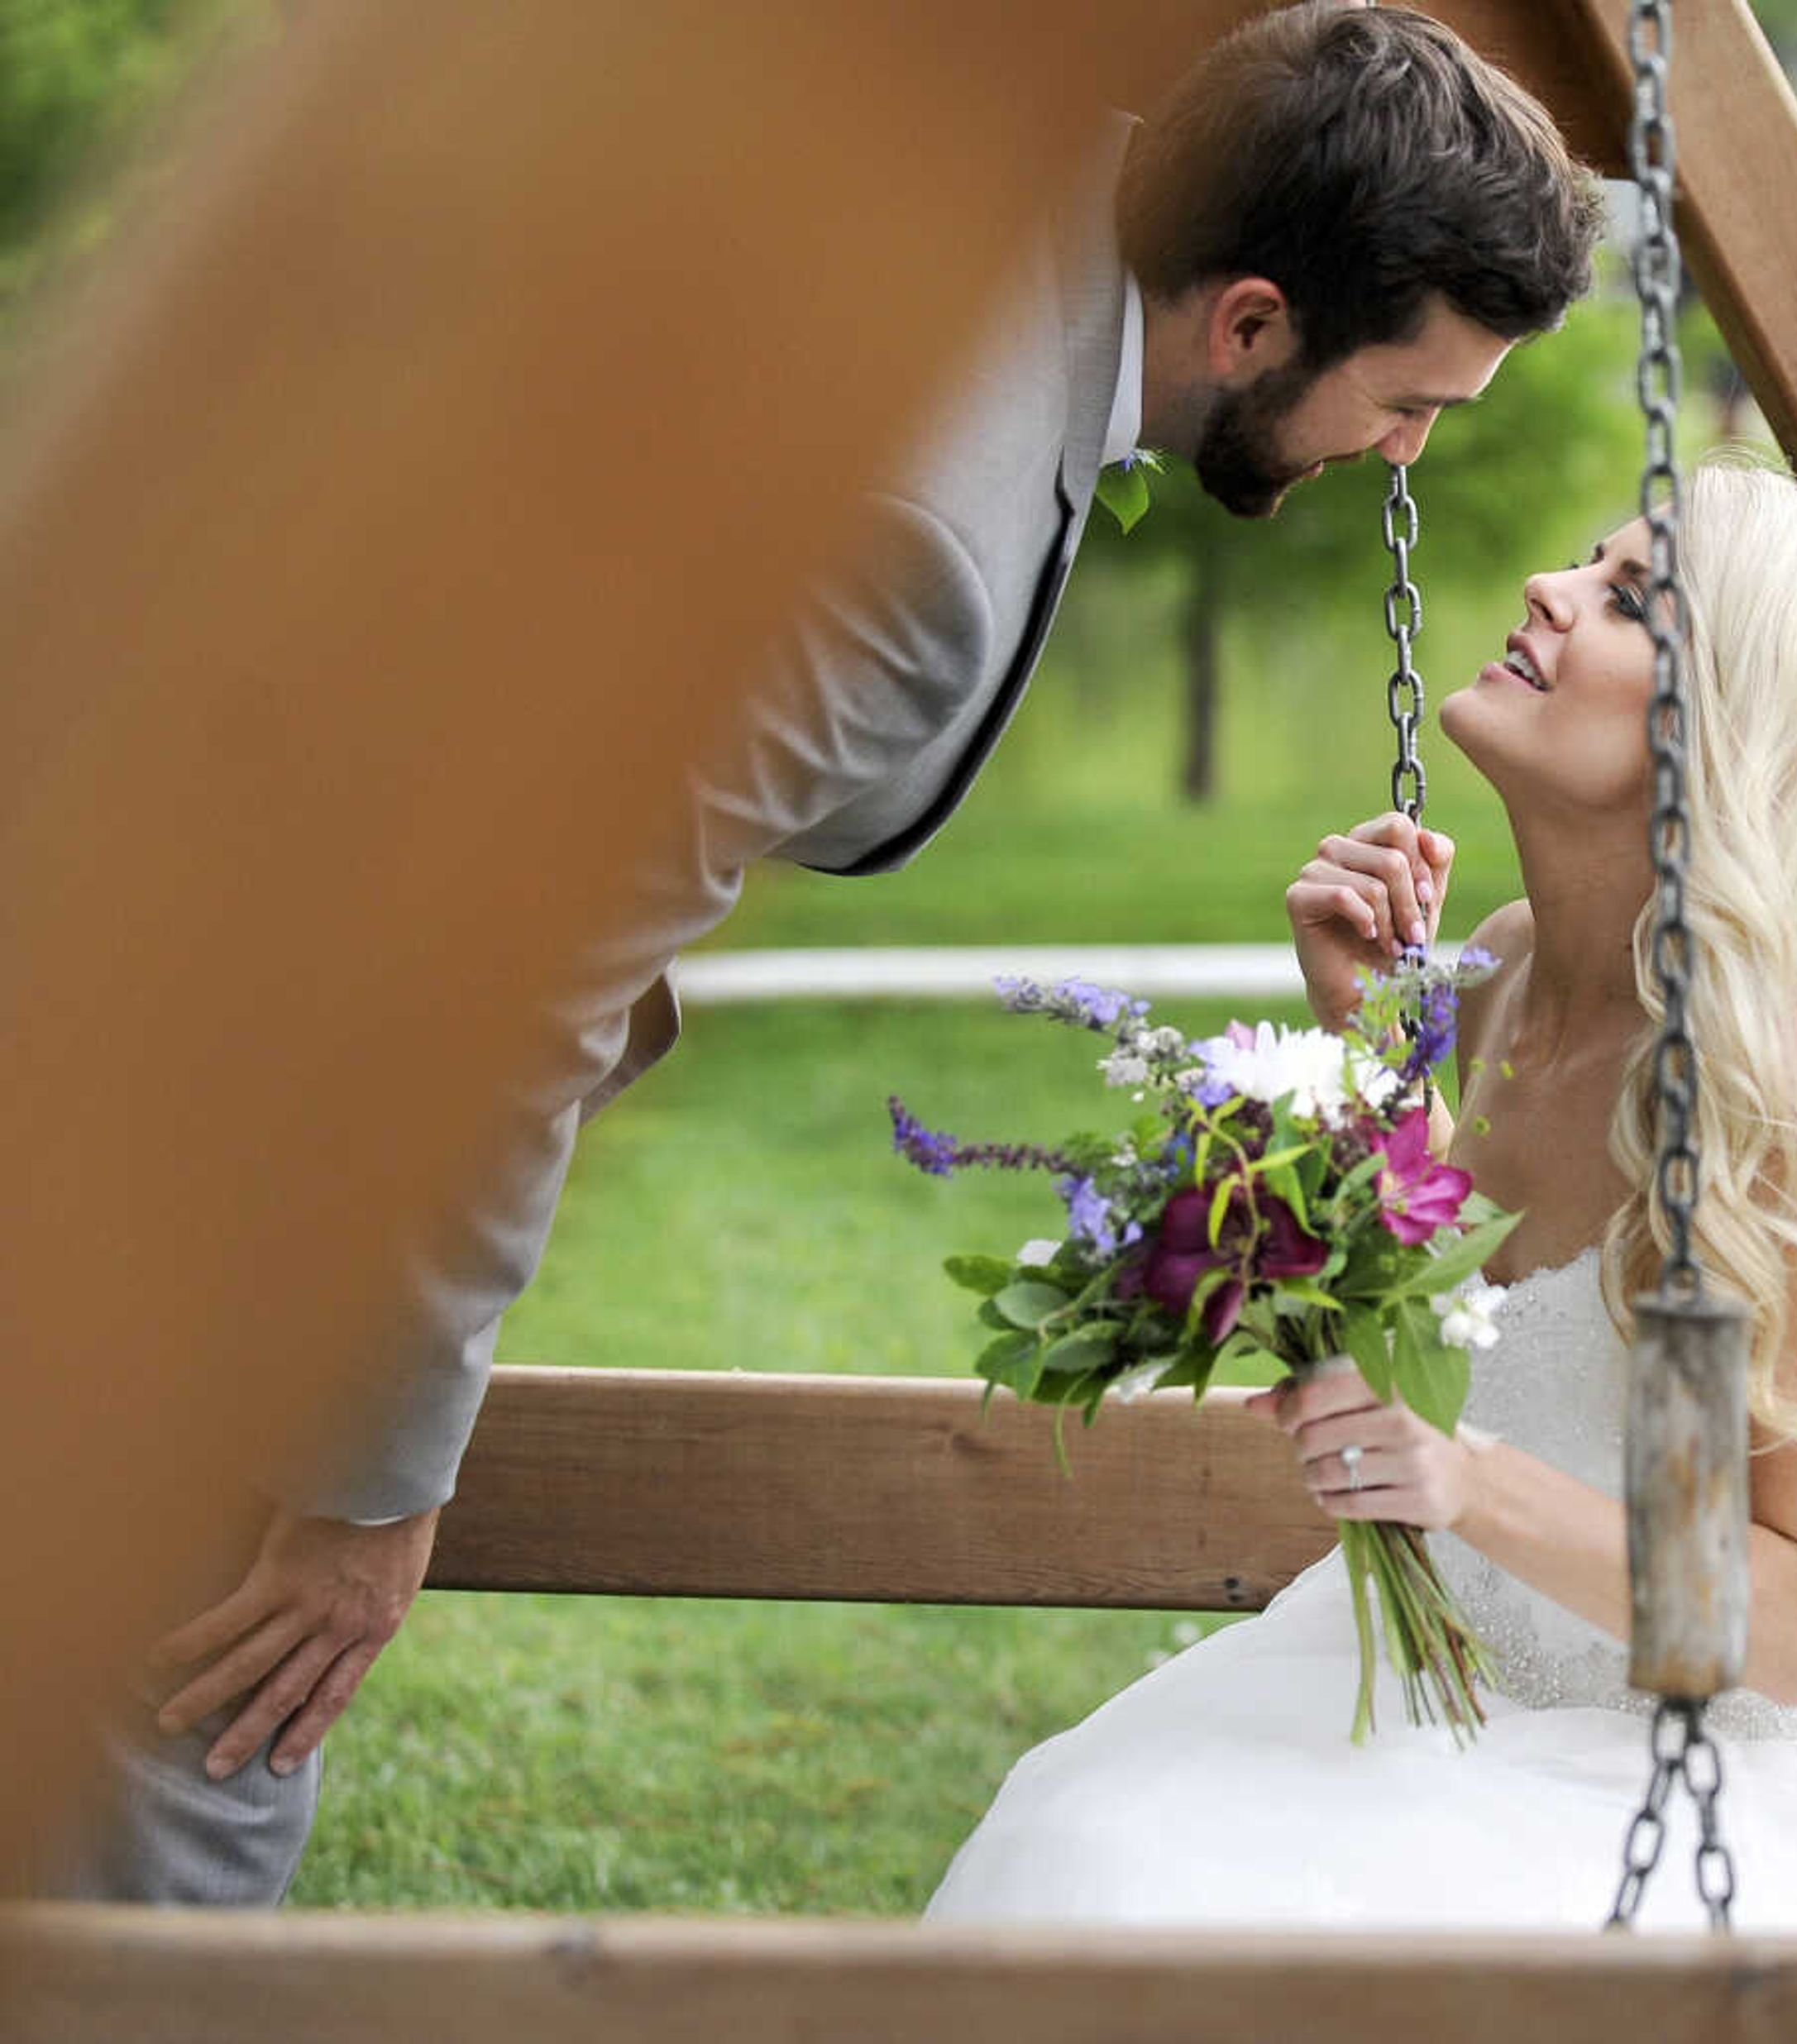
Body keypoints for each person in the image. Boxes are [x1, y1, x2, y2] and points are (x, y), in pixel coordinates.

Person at [58, 2, 1603, 1908]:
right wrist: (362, 1494)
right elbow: (506, 992)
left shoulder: (990, 219)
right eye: (1414, 402)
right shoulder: (913, 527)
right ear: (1253, 322)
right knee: (193, 1756)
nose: (1404, 458)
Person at [925, 464, 1797, 1932]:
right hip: (1450, 1698)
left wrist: (1463, 1478)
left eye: (1631, 600)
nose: (1550, 591)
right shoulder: (1504, 972)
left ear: (1726, 735)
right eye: (1586, 562)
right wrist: (1361, 1053)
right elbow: (1446, 1333)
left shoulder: (1765, 1078)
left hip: (1667, 1770)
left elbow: (1778, 1612)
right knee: (1106, 1852)